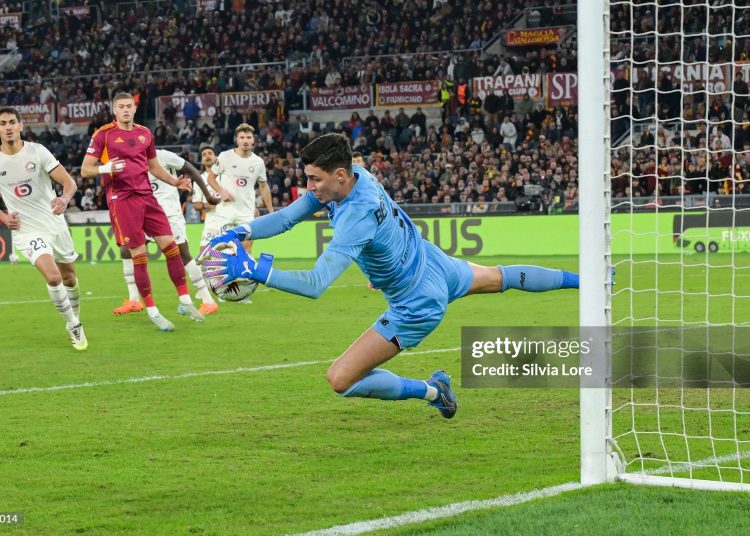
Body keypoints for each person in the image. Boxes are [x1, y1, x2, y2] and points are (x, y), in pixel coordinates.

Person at [200, 134, 579, 419]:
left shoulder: (354, 219)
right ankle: (587, 280)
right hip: (433, 263)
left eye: (315, 180)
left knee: (341, 379)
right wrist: (242, 231)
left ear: (339, 175)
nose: (310, 187)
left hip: (416, 303)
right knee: (504, 277)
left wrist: (256, 270)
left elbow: (315, 285)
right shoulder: (355, 177)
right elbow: (285, 217)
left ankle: (433, 391)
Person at [81, 92, 204, 331]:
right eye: (121, 107)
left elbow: (154, 166)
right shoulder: (103, 134)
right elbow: (86, 170)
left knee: (171, 246)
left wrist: (174, 181)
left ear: (135, 109)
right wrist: (106, 168)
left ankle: (185, 299)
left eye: (129, 106)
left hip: (147, 196)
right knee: (139, 254)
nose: (126, 110)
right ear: (114, 110)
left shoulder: (145, 133)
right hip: (122, 200)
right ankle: (152, 310)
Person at [0, 107, 87, 350]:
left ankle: (76, 317)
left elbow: (69, 182)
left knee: (70, 277)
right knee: (53, 276)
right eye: (2, 123)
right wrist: (4, 218)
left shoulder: (37, 152)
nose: (7, 127)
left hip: (54, 223)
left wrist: (64, 199)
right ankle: (73, 325)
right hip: (27, 230)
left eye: (11, 122)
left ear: (20, 126)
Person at [113, 148, 219, 317]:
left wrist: (208, 195)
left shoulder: (163, 155)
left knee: (182, 254)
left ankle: (208, 301)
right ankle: (133, 299)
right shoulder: (129, 161)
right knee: (126, 249)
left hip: (169, 214)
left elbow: (190, 168)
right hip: (144, 213)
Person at [206, 123, 274, 255]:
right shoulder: (225, 156)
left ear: (253, 140)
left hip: (246, 212)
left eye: (249, 137)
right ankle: (223, 274)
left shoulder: (258, 162)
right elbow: (211, 178)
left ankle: (243, 275)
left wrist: (271, 211)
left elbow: (263, 186)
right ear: (237, 139)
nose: (246, 141)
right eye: (242, 137)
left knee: (246, 249)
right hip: (226, 211)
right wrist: (222, 192)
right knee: (225, 249)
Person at [192, 145, 223, 250]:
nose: (207, 156)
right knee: (204, 255)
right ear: (202, 160)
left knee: (231, 253)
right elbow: (196, 204)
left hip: (228, 219)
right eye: (204, 155)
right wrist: (206, 205)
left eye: (210, 153)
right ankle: (213, 266)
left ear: (216, 157)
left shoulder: (225, 175)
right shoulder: (199, 180)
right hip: (211, 221)